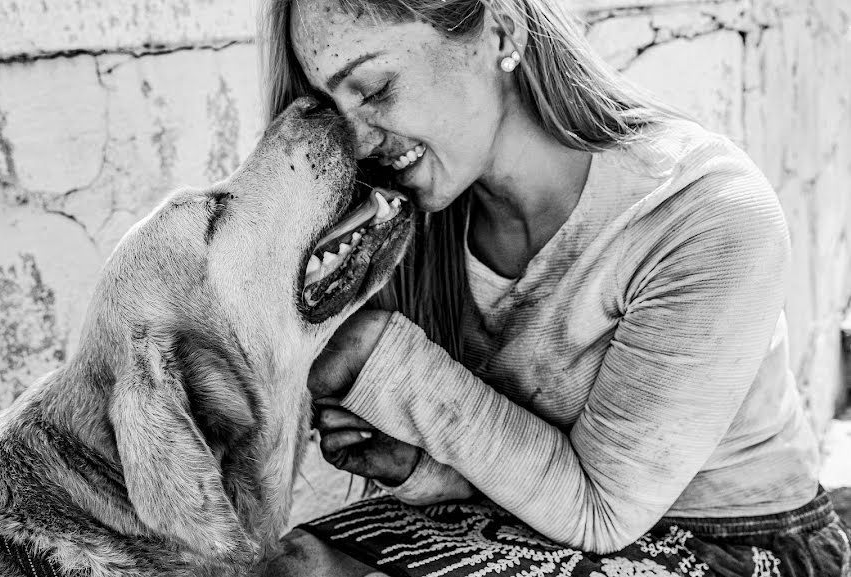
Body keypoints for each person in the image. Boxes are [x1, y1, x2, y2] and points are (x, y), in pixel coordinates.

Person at [262, 0, 851, 575]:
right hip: (528, 514)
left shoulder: (702, 211)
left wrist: (378, 356)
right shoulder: (420, 214)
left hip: (728, 538)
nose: (359, 144)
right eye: (332, 111)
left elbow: (603, 512)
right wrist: (420, 468)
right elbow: (528, 468)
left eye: (373, 88)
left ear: (500, 31)